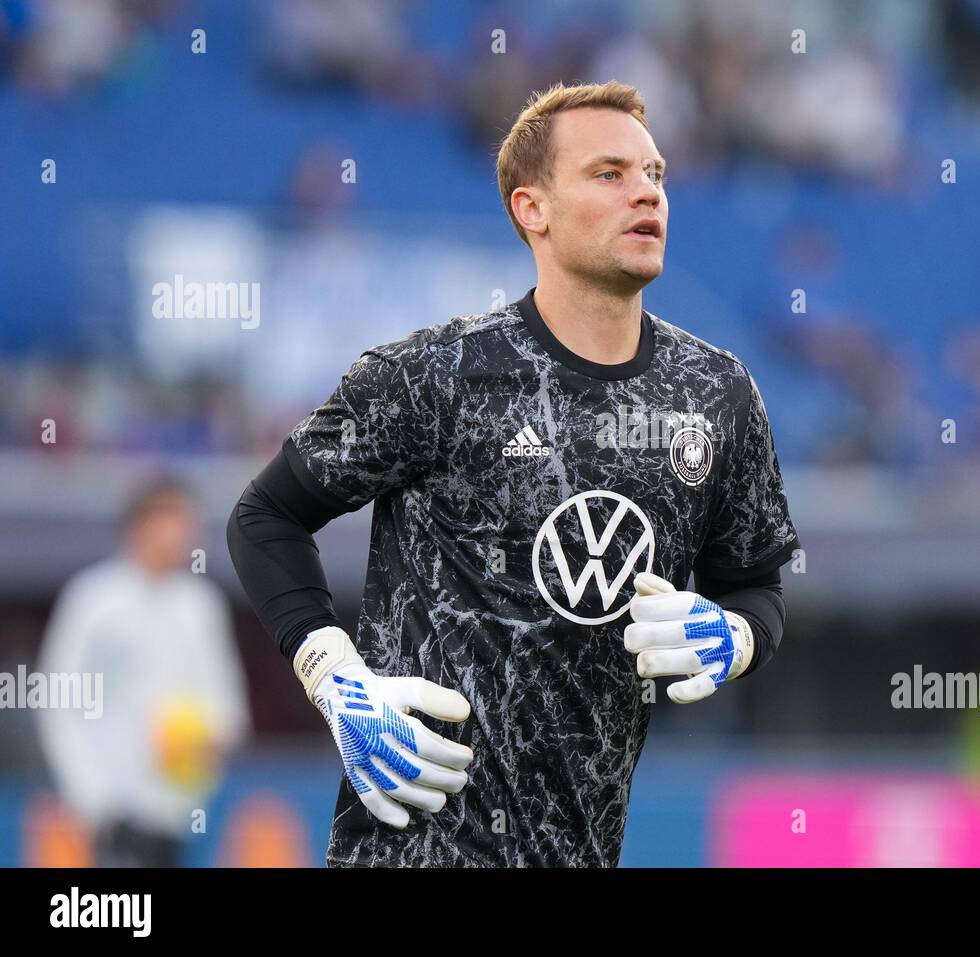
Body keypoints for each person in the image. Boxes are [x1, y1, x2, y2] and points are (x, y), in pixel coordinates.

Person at [227, 80, 799, 867]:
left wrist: (734, 637)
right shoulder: (436, 372)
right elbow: (264, 517)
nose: (647, 193)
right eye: (609, 174)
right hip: (410, 850)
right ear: (533, 209)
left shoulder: (717, 395)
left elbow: (758, 583)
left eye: (656, 175)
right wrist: (336, 681)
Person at [37, 476, 251, 867]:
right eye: (174, 520)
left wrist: (213, 735)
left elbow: (226, 701)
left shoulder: (201, 606)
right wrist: (91, 798)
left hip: (183, 809)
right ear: (140, 526)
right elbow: (59, 704)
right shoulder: (93, 601)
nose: (186, 534)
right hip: (116, 811)